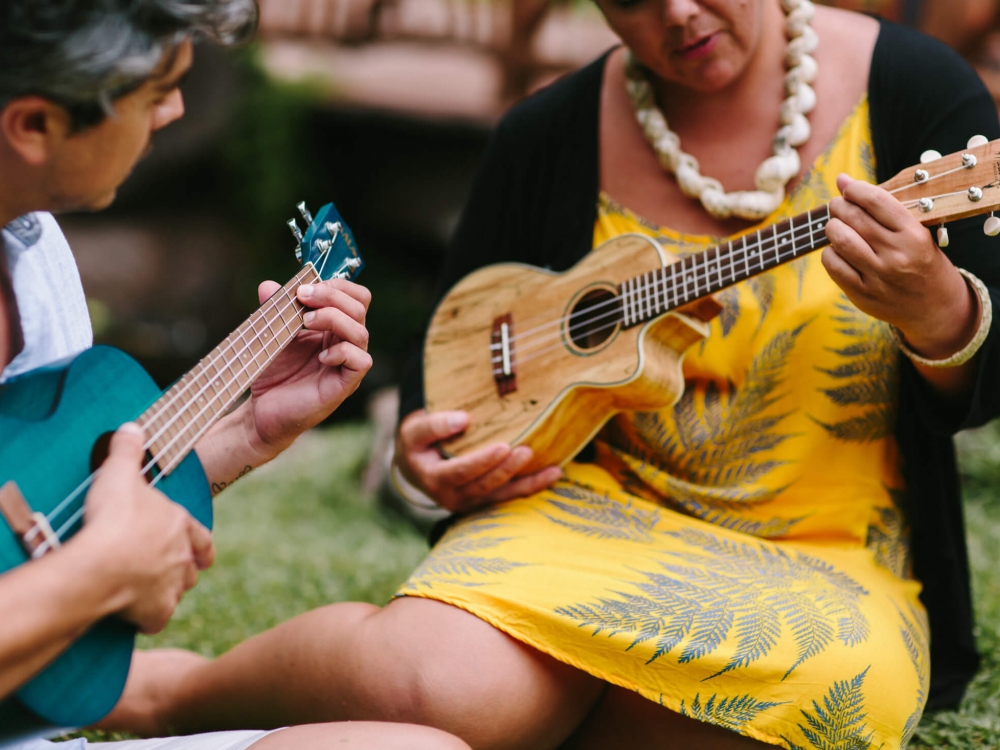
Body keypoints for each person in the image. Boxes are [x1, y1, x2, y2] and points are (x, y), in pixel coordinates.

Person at [100, 1, 1000, 748]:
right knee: (429, 682)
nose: (678, 16)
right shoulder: (550, 132)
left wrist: (936, 309)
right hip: (585, 518)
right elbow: (452, 355)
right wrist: (425, 456)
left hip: (825, 554)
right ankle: (177, 695)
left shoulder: (915, 92)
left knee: (838, 697)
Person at [0, 2, 471, 749]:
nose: (178, 110)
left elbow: (30, 512)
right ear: (33, 125)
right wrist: (100, 576)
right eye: (155, 92)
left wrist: (239, 436)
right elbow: (78, 559)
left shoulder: (31, 248)